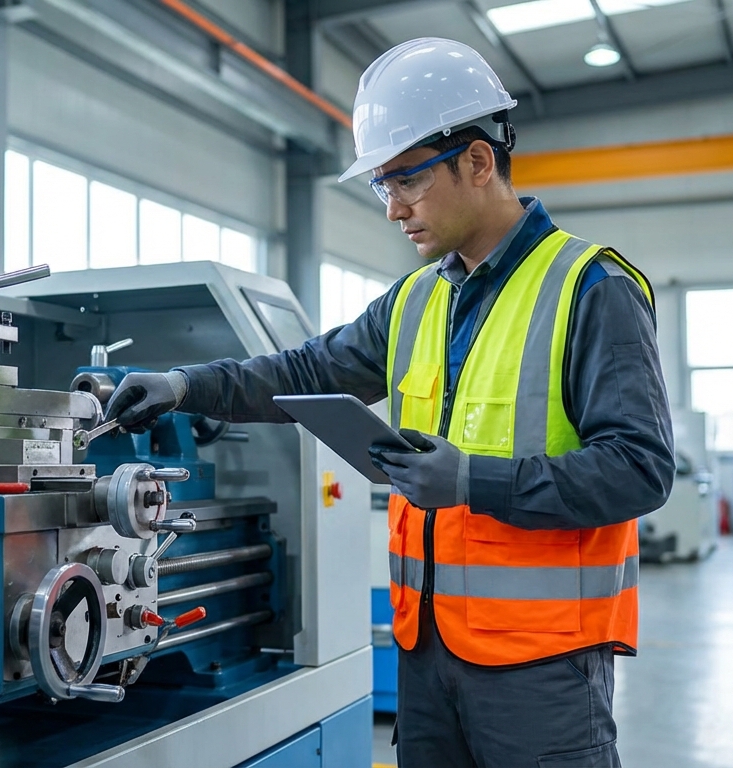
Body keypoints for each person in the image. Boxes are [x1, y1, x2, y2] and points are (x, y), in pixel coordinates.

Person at [104, 37, 673, 768]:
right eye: (382, 186)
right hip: (427, 652)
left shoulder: (590, 288)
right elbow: (306, 370)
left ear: (478, 161)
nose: (393, 208)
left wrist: (471, 481)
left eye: (407, 180)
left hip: (542, 665)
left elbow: (638, 469)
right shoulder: (414, 299)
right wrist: (187, 386)